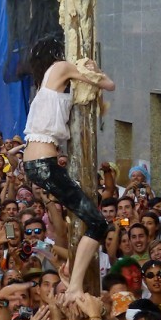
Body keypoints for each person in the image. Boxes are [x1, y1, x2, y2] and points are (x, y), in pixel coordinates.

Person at [23, 36, 114, 298]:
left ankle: (71, 269)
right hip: (42, 164)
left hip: (40, 162)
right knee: (97, 223)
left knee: (87, 217)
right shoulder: (61, 67)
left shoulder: (46, 84)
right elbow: (109, 84)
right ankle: (74, 284)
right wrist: (93, 69)